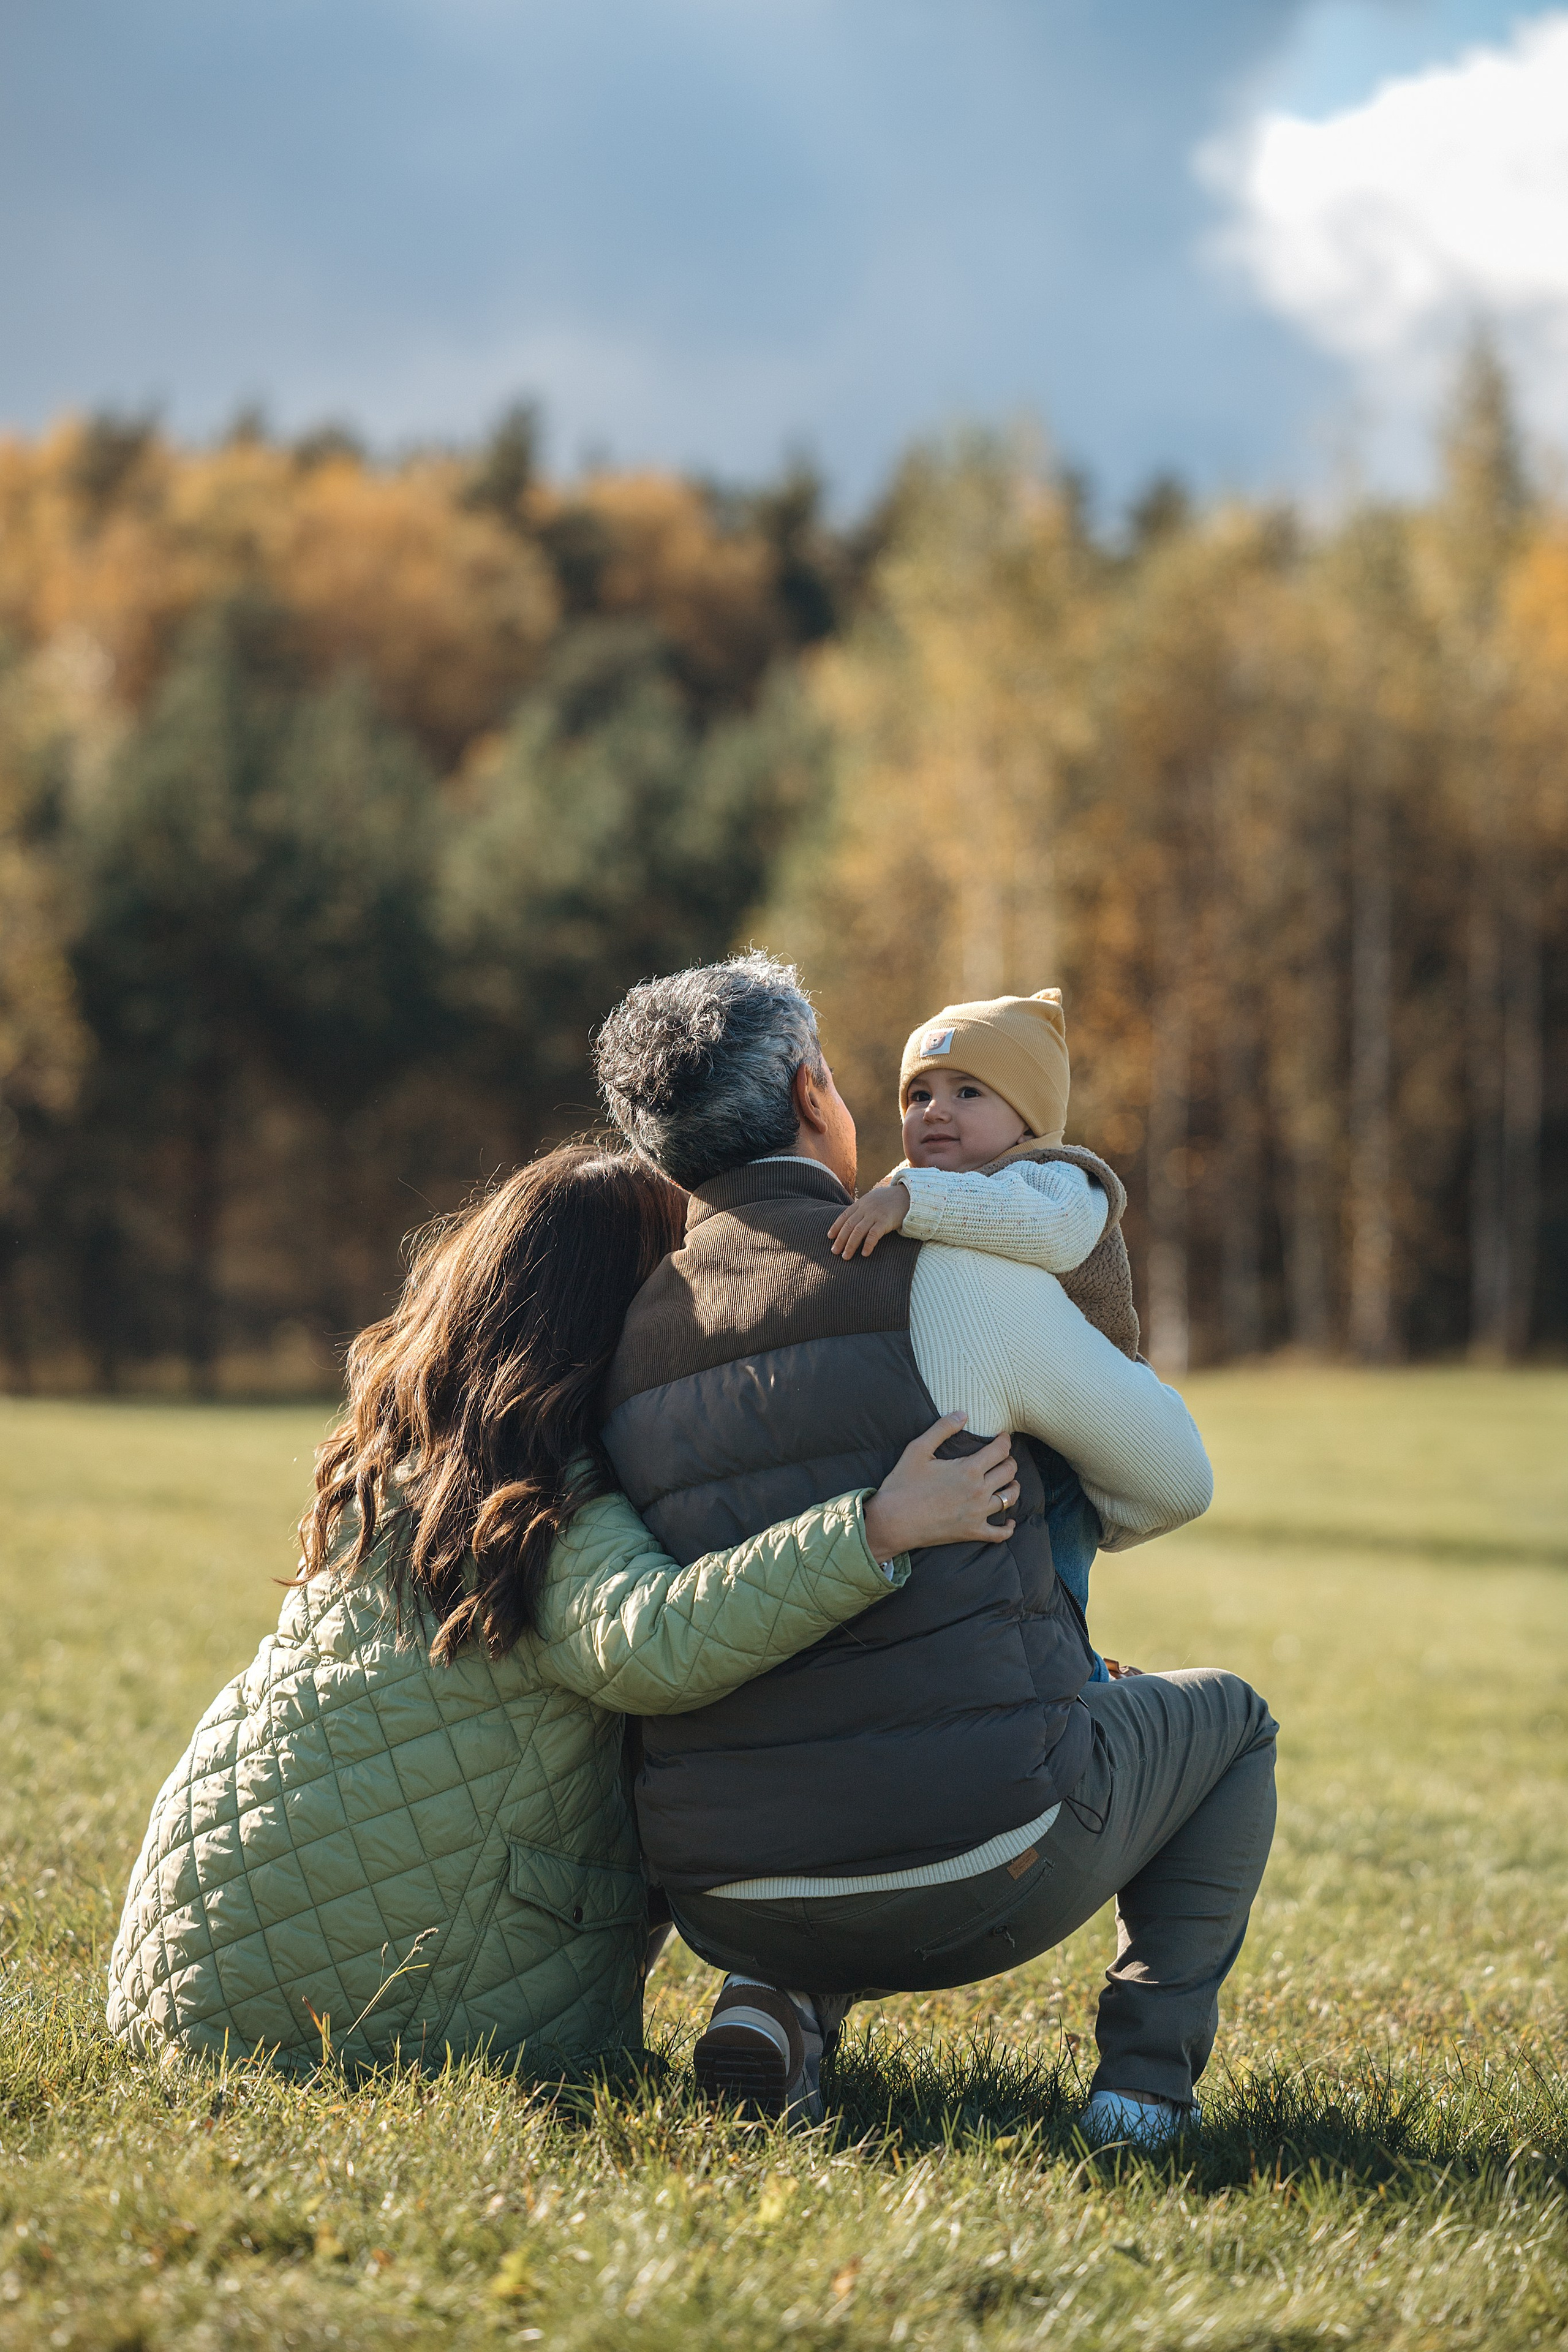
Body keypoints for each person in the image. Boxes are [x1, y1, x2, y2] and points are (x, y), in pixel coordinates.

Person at [106, 1145, 1020, 2079]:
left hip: (181, 1975)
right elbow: (659, 1643)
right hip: (363, 2021)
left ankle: (774, 2003)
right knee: (764, 1745)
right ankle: (778, 2000)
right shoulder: (541, 1508)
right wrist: (875, 1528)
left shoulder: (412, 1461)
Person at [594, 954, 1278, 2140]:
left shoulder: (625, 1324)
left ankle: (776, 2000)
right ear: (814, 1089)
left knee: (840, 1731)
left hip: (723, 1889)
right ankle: (1142, 2090)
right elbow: (1176, 1481)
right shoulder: (947, 1273)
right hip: (978, 1860)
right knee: (1227, 1720)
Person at [825, 986, 1140, 1680]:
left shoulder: (1059, 1179)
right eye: (918, 1095)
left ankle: (1079, 1683)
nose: (934, 1111)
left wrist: (910, 1200)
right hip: (976, 1432)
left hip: (1064, 1434)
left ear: (1028, 1119)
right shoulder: (907, 1186)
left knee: (1050, 1585)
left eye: (968, 1092)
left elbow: (1046, 1234)